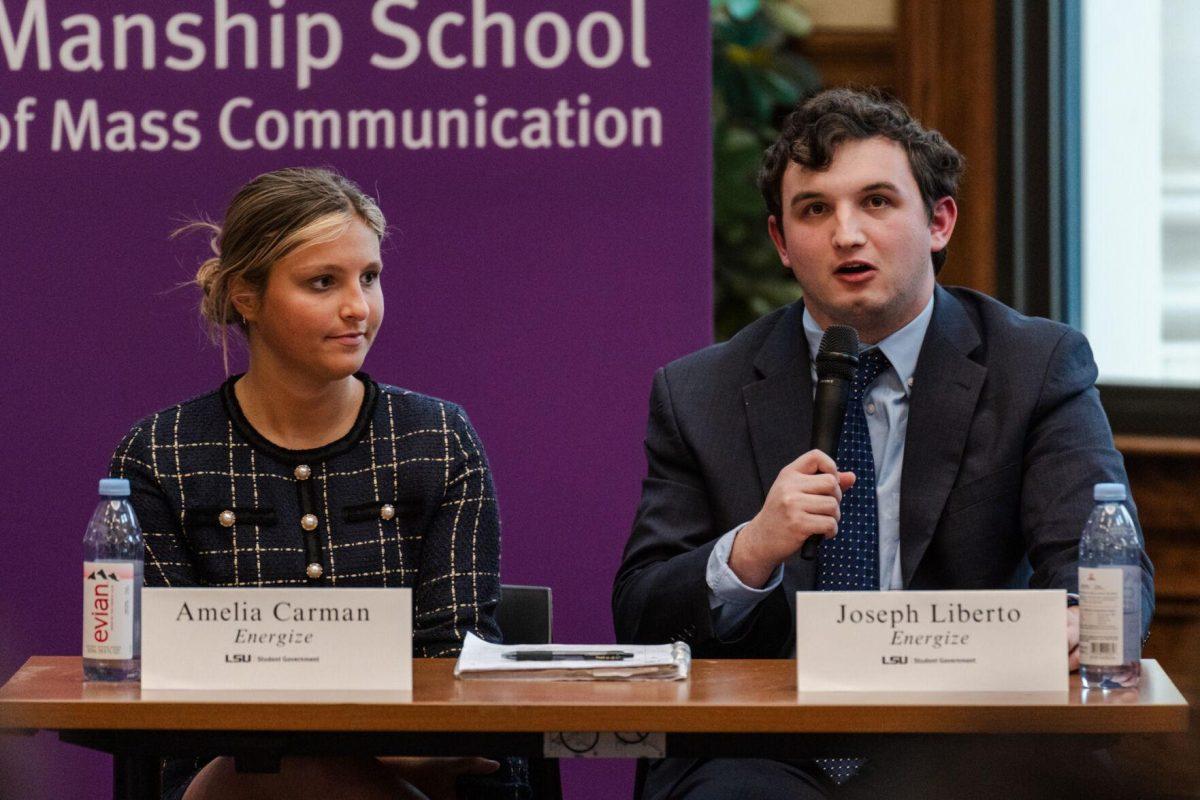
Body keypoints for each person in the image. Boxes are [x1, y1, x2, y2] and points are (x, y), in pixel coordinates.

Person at [612, 88, 1154, 799]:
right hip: (762, 751)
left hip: (967, 741)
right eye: (815, 210)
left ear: (938, 220)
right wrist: (747, 553)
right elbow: (643, 611)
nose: (846, 234)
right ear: (781, 242)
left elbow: (1099, 564)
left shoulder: (1035, 367)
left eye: (876, 202)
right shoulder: (700, 392)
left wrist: (1086, 621)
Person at [109, 167, 527, 800]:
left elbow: (456, 656)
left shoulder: (437, 437)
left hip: (433, 764)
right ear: (246, 296)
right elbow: (168, 679)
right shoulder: (160, 455)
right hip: (223, 774)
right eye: (323, 283)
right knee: (274, 771)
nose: (358, 307)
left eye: (370, 278)